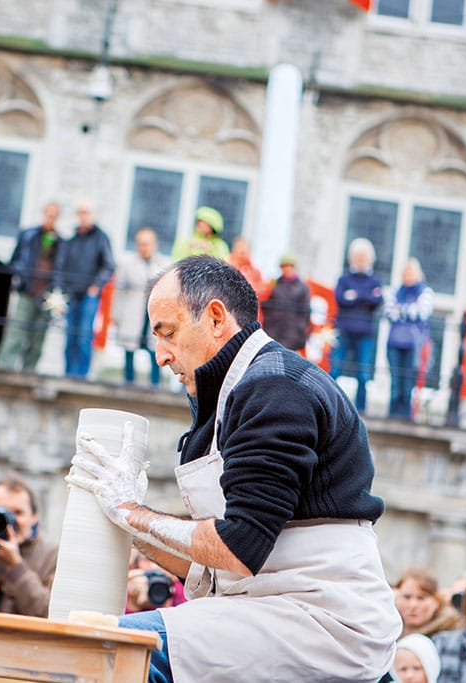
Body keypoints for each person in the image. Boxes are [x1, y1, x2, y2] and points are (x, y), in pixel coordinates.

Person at [66, 255, 401, 682]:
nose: (161, 355)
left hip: (324, 621)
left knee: (103, 649)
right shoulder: (239, 389)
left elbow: (240, 547)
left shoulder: (274, 389)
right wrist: (129, 524)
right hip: (273, 607)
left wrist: (133, 511)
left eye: (168, 333)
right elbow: (218, 567)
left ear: (216, 318)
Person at [0, 201, 63, 373]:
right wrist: (21, 277)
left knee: (38, 337)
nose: (50, 218)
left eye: (54, 215)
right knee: (16, 331)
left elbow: (62, 267)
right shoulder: (29, 235)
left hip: (47, 296)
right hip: (26, 290)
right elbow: (15, 260)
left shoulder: (61, 242)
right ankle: (4, 368)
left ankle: (29, 370)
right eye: (48, 213)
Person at [0, 473, 58, 617]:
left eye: (18, 512)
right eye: (2, 511)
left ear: (34, 517)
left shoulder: (52, 555)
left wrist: (16, 566)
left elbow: (48, 613)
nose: (10, 521)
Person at [54, 200, 115, 379]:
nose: (83, 216)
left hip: (89, 295)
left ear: (93, 214)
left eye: (86, 212)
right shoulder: (72, 238)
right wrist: (61, 287)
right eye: (80, 212)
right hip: (70, 294)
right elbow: (61, 264)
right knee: (70, 335)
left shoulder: (100, 238)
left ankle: (81, 375)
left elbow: (108, 265)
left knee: (84, 336)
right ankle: (68, 373)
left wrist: (95, 286)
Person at [113, 227, 170, 386]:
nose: (143, 248)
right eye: (140, 244)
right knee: (129, 349)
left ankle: (155, 384)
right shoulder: (128, 264)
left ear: (154, 244)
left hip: (153, 314)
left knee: (155, 350)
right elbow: (120, 291)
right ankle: (128, 382)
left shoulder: (164, 264)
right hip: (133, 311)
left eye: (147, 244)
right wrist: (116, 315)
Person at [332, 238, 384, 412]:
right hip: (344, 330)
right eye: (358, 256)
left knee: (363, 374)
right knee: (335, 371)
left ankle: (360, 410)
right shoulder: (344, 278)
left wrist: (355, 296)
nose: (361, 260)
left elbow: (377, 300)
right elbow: (340, 298)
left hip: (365, 333)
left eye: (364, 257)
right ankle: (330, 405)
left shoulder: (375, 280)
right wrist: (364, 297)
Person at [384, 257, 433, 419]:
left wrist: (402, 311)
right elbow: (389, 312)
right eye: (406, 272)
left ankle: (405, 417)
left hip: (413, 344)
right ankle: (392, 415)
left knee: (407, 383)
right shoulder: (396, 291)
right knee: (395, 382)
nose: (409, 275)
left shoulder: (425, 292)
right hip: (394, 342)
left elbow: (422, 312)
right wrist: (409, 311)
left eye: (412, 272)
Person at [260, 251, 311, 352]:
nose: (287, 269)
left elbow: (305, 314)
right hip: (274, 332)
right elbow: (265, 306)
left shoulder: (302, 288)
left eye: (290, 266)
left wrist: (299, 332)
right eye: (284, 266)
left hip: (292, 334)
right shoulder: (274, 284)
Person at [395, 567, 463, 638]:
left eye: (421, 598)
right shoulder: (389, 631)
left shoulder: (450, 638)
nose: (413, 605)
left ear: (436, 601)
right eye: (407, 597)